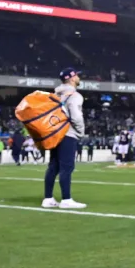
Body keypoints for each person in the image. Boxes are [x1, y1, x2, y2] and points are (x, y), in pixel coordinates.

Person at [43, 67, 87, 209]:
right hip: (68, 133)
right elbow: (75, 116)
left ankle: (48, 198)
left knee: (53, 166)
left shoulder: (54, 93)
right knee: (67, 167)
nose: (79, 78)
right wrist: (80, 131)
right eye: (77, 76)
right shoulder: (74, 95)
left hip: (54, 133)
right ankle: (66, 199)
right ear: (72, 78)